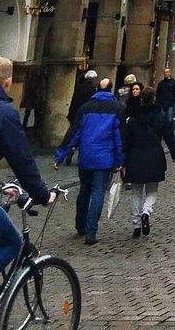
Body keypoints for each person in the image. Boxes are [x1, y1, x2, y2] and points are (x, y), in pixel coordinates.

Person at [0, 58, 56, 293]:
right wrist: (43, 195)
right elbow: (22, 162)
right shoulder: (4, 113)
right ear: (7, 82)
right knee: (12, 242)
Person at [55, 72, 123, 245]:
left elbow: (73, 133)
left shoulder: (85, 107)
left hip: (86, 156)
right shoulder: (117, 108)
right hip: (105, 158)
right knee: (98, 192)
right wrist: (120, 161)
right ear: (111, 90)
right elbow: (119, 138)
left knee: (84, 191)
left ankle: (80, 225)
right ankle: (91, 232)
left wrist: (60, 156)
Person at [122, 86, 175, 238]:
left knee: (136, 191)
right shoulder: (161, 117)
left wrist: (122, 160)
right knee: (152, 190)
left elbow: (126, 141)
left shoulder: (133, 119)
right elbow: (170, 138)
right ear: (154, 99)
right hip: (154, 156)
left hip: (135, 157)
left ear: (141, 99)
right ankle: (146, 213)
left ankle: (136, 224)